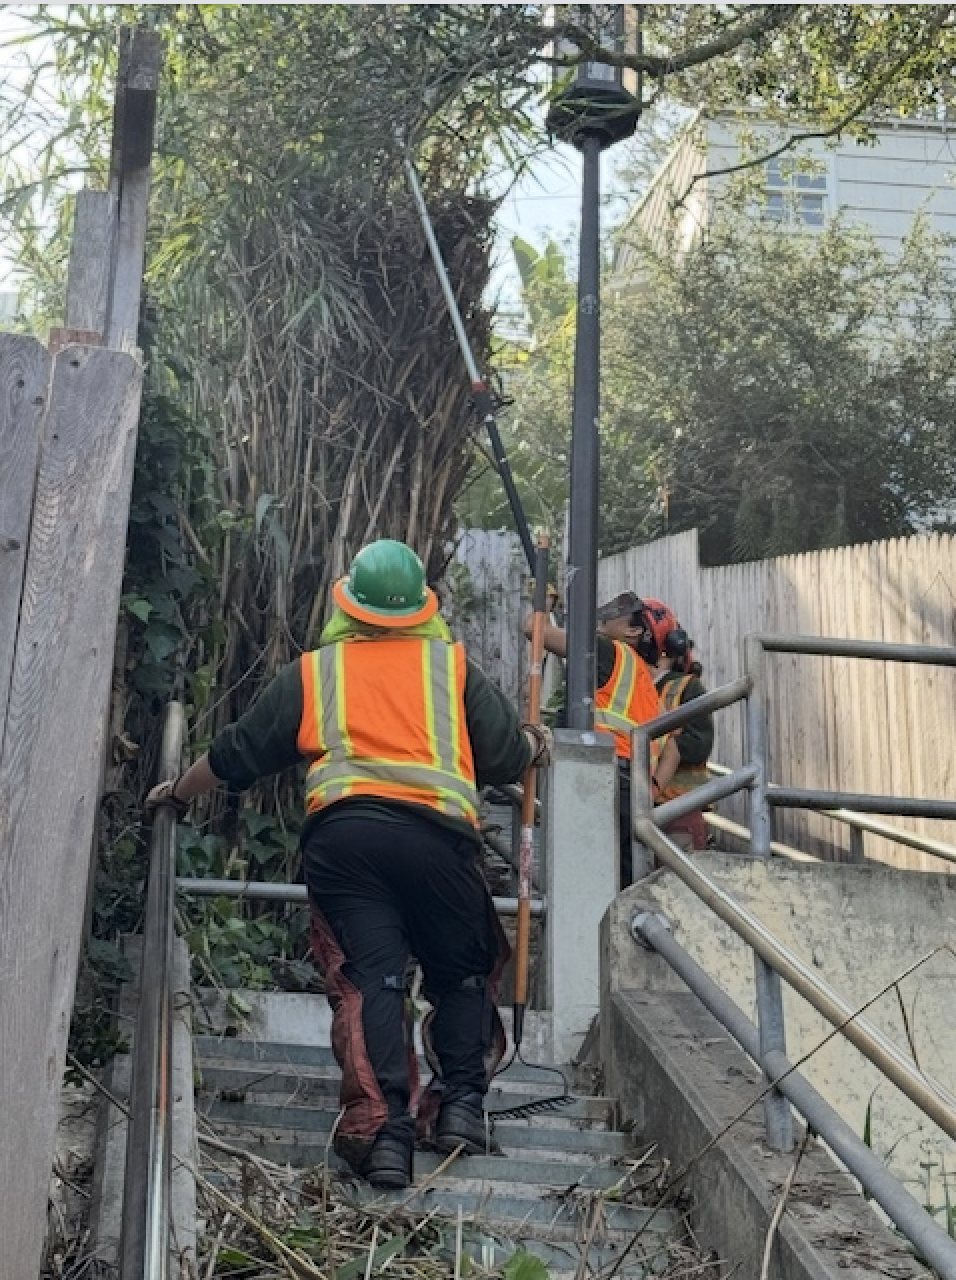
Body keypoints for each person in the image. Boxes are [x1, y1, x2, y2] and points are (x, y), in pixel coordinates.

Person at [146, 539, 548, 1191]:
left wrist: (177, 792)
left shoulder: (315, 672)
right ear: (422, 607)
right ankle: (462, 1112)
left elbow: (237, 752)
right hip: (439, 843)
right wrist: (535, 740)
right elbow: (506, 757)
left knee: (372, 983)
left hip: (347, 842)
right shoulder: (452, 668)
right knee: (462, 973)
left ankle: (383, 1135)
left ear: (348, 602)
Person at [525, 591, 679, 886]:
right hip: (633, 788)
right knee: (622, 879)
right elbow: (672, 750)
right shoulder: (644, 681)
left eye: (619, 611)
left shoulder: (609, 651)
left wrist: (542, 602)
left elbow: (534, 630)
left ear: (634, 631)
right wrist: (651, 790)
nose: (606, 613)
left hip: (601, 775)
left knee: (585, 876)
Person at [636, 598, 714, 851]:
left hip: (677, 809)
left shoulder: (686, 687)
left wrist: (668, 748)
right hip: (637, 803)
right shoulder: (631, 685)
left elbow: (698, 744)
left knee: (677, 884)